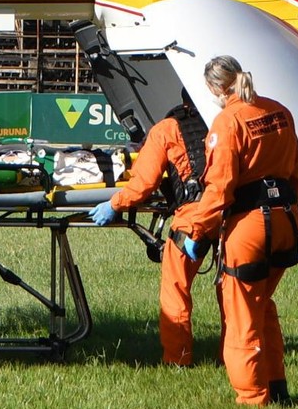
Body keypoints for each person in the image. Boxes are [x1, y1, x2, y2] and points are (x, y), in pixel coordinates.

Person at [179, 56, 298, 406]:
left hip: (250, 228)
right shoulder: (280, 112)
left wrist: (198, 231)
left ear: (215, 88)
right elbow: (297, 174)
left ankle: (252, 398)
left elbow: (219, 188)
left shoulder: (228, 122)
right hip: (286, 221)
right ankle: (277, 388)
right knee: (263, 305)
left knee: (241, 315)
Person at [88, 89, 209, 366]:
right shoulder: (223, 123)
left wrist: (115, 205)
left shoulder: (166, 129)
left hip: (193, 216)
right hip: (229, 212)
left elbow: (142, 184)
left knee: (175, 289)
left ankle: (178, 360)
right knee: (232, 292)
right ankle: (233, 355)